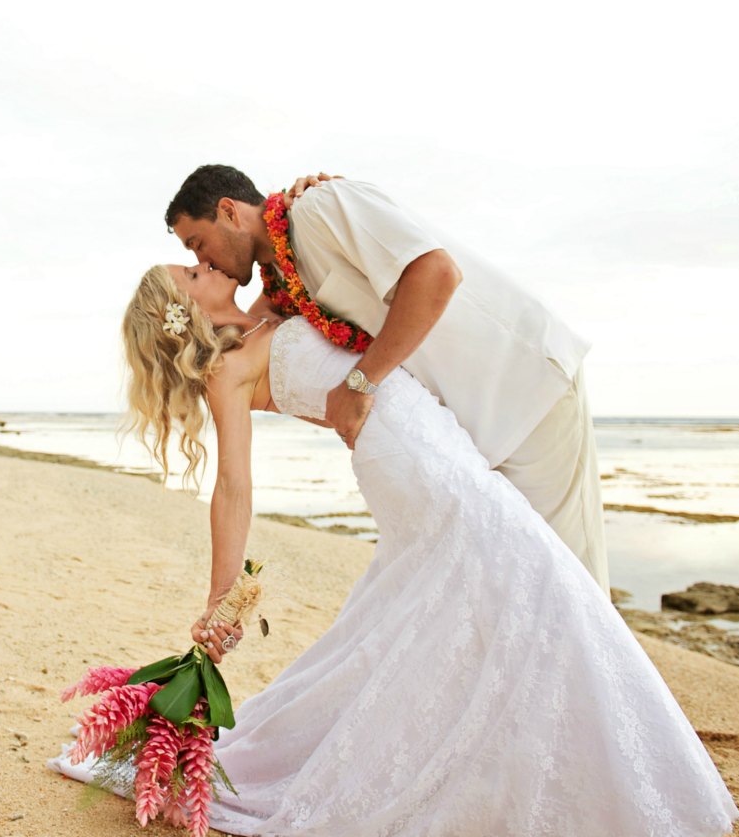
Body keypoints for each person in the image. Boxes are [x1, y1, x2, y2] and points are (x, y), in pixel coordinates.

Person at [47, 263, 737, 837]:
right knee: (534, 591)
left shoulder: (266, 311)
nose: (210, 265)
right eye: (193, 270)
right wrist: (221, 599)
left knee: (508, 605)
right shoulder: (225, 369)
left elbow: (309, 262)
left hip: (428, 435)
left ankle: (566, 818)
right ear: (179, 309)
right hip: (409, 460)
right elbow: (233, 485)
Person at [166, 165, 610, 592]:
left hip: (523, 386)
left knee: (571, 583)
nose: (202, 260)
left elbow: (438, 272)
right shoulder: (284, 277)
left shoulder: (321, 206)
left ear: (229, 211)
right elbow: (243, 336)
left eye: (197, 243)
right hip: (468, 432)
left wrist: (359, 384)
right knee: (518, 586)